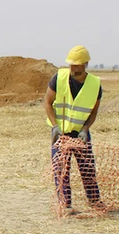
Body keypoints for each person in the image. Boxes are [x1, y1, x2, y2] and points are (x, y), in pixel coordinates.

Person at [43, 45, 103, 213]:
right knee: (61, 169)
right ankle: (65, 204)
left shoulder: (95, 84)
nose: (73, 68)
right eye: (71, 64)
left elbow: (93, 112)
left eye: (77, 64)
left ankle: (94, 201)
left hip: (80, 134)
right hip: (60, 133)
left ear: (85, 64)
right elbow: (47, 102)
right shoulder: (59, 78)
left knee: (87, 168)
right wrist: (54, 126)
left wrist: (85, 129)